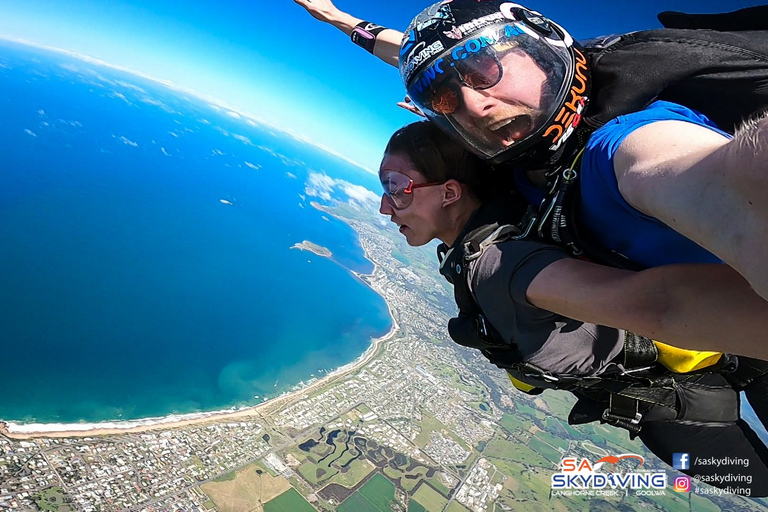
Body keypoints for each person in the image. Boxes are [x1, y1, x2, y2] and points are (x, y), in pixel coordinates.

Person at [379, 120, 768, 496]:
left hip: (693, 386)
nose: (385, 206)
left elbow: (658, 304)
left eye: (396, 188)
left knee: (758, 482)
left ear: (450, 192)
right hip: (667, 396)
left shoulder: (498, 264)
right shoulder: (472, 251)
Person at [295, 0, 768, 303]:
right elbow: (426, 55)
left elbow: (709, 176)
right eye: (445, 101)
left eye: (484, 72)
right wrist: (339, 19)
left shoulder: (627, 141)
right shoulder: (528, 165)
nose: (474, 105)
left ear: (540, 46)